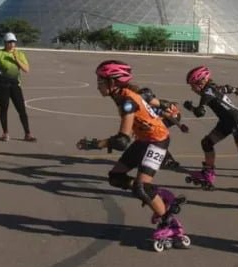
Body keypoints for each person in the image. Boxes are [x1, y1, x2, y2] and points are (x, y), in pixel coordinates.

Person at [76, 60, 188, 252]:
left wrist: (95, 144)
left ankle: (169, 223)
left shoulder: (127, 102)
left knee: (141, 187)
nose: (98, 85)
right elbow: (155, 101)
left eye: (101, 81)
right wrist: (163, 105)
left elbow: (122, 141)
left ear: (114, 82)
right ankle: (159, 196)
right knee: (116, 178)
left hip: (157, 140)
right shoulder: (124, 94)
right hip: (145, 139)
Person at [181, 66, 238, 191]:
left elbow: (200, 113)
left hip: (236, 121)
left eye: (193, 85)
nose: (192, 89)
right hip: (226, 121)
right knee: (207, 143)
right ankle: (208, 172)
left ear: (201, 82)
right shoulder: (214, 87)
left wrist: (191, 107)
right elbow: (228, 88)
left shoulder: (206, 93)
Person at [0, 32, 36, 142]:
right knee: (4, 109)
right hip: (2, 85)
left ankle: (27, 133)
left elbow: (26, 70)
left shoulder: (20, 54)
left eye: (13, 42)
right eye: (9, 42)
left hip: (15, 85)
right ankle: (5, 133)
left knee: (21, 110)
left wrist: (16, 59)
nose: (12, 44)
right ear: (5, 43)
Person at [136, 86, 189, 169]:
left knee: (155, 137)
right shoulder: (149, 104)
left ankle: (168, 159)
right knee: (151, 136)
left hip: (172, 117)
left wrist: (180, 125)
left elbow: (167, 115)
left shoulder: (152, 106)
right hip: (167, 116)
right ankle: (165, 158)